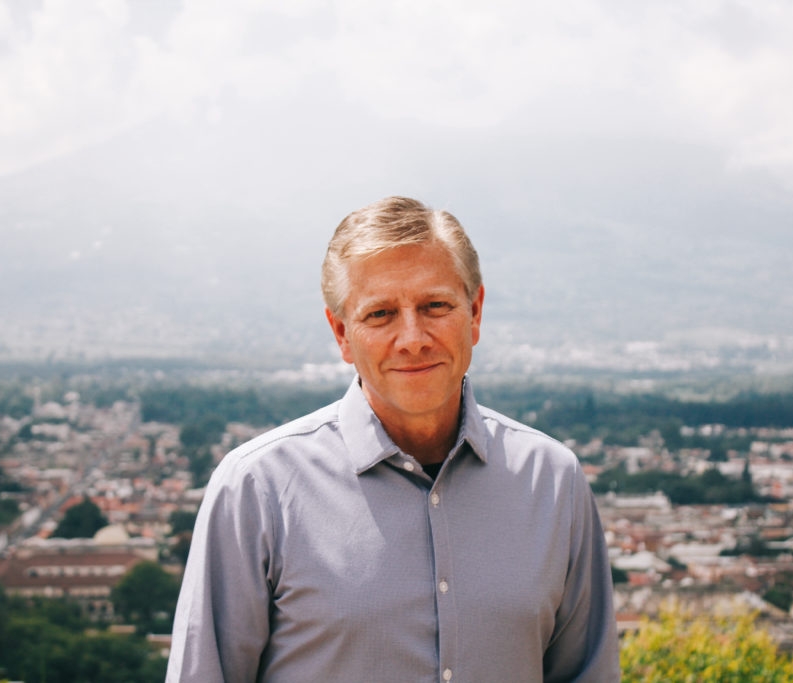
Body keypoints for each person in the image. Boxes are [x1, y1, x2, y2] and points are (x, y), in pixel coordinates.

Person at [167, 197, 620, 682]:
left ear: (476, 311)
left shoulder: (553, 482)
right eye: (381, 314)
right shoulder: (258, 489)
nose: (412, 338)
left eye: (435, 306)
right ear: (342, 333)